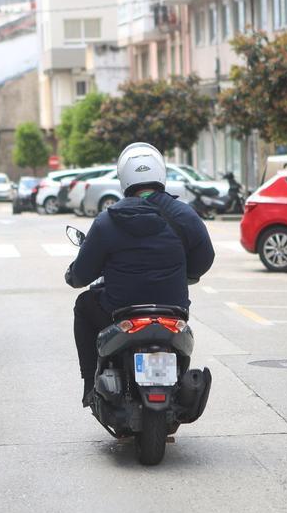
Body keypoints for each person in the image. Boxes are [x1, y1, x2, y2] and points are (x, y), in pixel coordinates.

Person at [65, 142, 216, 406]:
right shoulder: (184, 215)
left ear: (124, 178)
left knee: (83, 305)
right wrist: (187, 274)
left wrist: (73, 276)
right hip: (173, 310)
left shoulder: (107, 221)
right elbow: (205, 259)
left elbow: (82, 275)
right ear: (160, 173)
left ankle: (90, 384)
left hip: (118, 311)